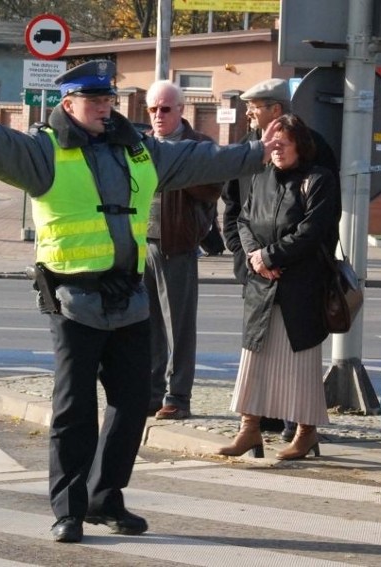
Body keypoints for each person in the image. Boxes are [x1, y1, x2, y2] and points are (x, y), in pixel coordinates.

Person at [0, 60, 279, 543]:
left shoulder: (139, 149)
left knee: (133, 402)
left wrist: (255, 152)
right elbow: (1, 148)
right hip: (72, 299)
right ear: (68, 104)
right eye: (95, 100)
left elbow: (198, 161)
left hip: (128, 298)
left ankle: (106, 497)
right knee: (74, 410)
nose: (105, 107)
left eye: (108, 100)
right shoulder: (46, 150)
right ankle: (69, 509)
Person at [217, 113, 341, 460]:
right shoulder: (261, 177)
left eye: (283, 145)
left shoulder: (319, 180)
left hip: (300, 287)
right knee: (254, 360)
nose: (276, 151)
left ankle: (305, 432)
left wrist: (270, 257)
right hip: (261, 286)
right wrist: (256, 257)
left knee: (300, 365)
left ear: (300, 145)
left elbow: (311, 231)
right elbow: (244, 218)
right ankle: (249, 430)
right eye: (273, 145)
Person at [144, 80, 223, 420]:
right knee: (147, 324)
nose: (159, 116)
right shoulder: (142, 145)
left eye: (165, 109)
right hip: (140, 244)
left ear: (180, 110)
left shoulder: (199, 145)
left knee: (178, 325)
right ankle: (150, 394)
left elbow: (213, 187)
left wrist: (178, 169)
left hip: (178, 243)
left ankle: (178, 397)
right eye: (153, 109)